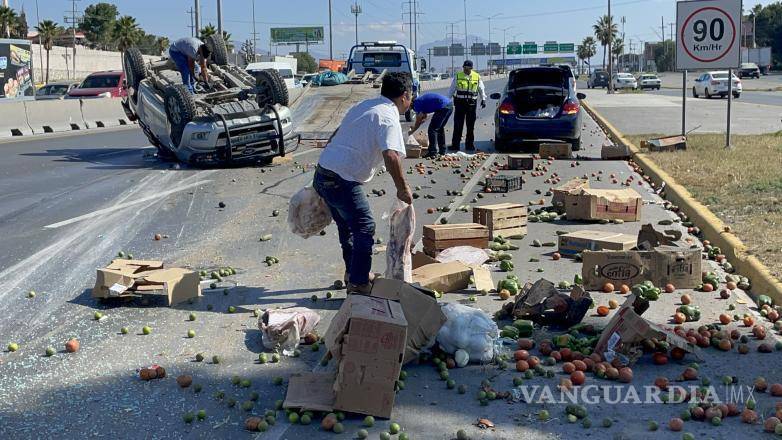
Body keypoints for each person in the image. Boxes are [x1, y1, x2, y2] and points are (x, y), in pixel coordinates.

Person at [314, 72, 413, 295]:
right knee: (365, 227)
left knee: (347, 226)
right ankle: (358, 284)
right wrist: (402, 188)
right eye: (411, 96)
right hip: (342, 180)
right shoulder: (389, 116)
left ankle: (352, 273)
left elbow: (336, 135)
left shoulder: (365, 106)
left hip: (323, 174)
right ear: (404, 96)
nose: (411, 100)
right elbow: (391, 155)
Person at [447, 60, 486, 151]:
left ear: (471, 68)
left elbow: (481, 88)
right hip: (460, 103)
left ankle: (469, 145)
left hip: (472, 104)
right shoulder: (458, 76)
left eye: (468, 68)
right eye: (465, 68)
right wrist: (447, 100)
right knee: (458, 125)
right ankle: (455, 145)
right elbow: (451, 89)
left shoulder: (476, 76)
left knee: (470, 125)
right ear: (463, 67)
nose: (466, 70)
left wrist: (483, 99)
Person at [408, 92, 453, 157]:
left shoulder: (416, 104)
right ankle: (442, 151)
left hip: (443, 107)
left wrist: (412, 131)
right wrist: (419, 122)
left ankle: (432, 152)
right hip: (449, 105)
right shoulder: (419, 101)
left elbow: (418, 121)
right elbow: (424, 116)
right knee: (439, 128)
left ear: (410, 103)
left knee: (432, 129)